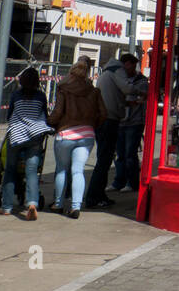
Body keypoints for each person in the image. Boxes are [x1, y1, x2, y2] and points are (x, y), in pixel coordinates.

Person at [49, 57, 105, 218]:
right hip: (87, 134)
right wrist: (92, 125)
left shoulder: (63, 89)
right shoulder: (94, 92)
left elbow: (58, 112)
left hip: (66, 134)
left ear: (71, 73)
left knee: (61, 169)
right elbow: (103, 113)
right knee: (78, 170)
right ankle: (76, 206)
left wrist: (50, 123)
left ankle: (58, 204)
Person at [84, 53, 138, 208]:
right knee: (104, 161)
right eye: (132, 67)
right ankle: (94, 197)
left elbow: (112, 96)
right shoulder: (118, 70)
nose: (132, 72)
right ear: (126, 63)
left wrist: (126, 104)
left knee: (104, 159)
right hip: (110, 120)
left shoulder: (107, 72)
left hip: (102, 119)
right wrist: (142, 91)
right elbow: (127, 88)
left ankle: (99, 195)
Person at [0, 67, 51, 219]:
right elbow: (45, 115)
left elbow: (9, 116)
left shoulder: (16, 95)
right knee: (32, 171)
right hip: (34, 138)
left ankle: (7, 207)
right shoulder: (41, 96)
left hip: (16, 136)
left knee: (10, 170)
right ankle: (32, 203)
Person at [110, 63, 148, 192]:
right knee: (120, 154)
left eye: (128, 67)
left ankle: (131, 183)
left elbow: (140, 99)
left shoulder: (142, 82)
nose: (126, 70)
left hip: (134, 122)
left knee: (130, 154)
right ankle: (119, 181)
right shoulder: (120, 80)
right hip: (122, 121)